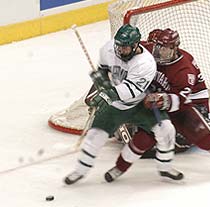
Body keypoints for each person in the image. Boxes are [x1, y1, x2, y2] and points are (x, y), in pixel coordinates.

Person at [104, 28, 210, 182]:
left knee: (205, 138)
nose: (158, 53)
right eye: (158, 47)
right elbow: (127, 53)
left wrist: (162, 99)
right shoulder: (150, 50)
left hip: (183, 108)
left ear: (174, 48)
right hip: (156, 106)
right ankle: (118, 168)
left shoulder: (184, 70)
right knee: (143, 139)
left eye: (164, 49)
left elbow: (179, 99)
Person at [64, 24, 183, 185]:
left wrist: (107, 94)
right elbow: (103, 70)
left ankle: (165, 167)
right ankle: (80, 171)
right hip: (115, 106)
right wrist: (101, 81)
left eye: (125, 48)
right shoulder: (108, 49)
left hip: (141, 103)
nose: (120, 51)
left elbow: (131, 90)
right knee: (94, 136)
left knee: (167, 130)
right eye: (118, 46)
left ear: (135, 46)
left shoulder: (146, 63)